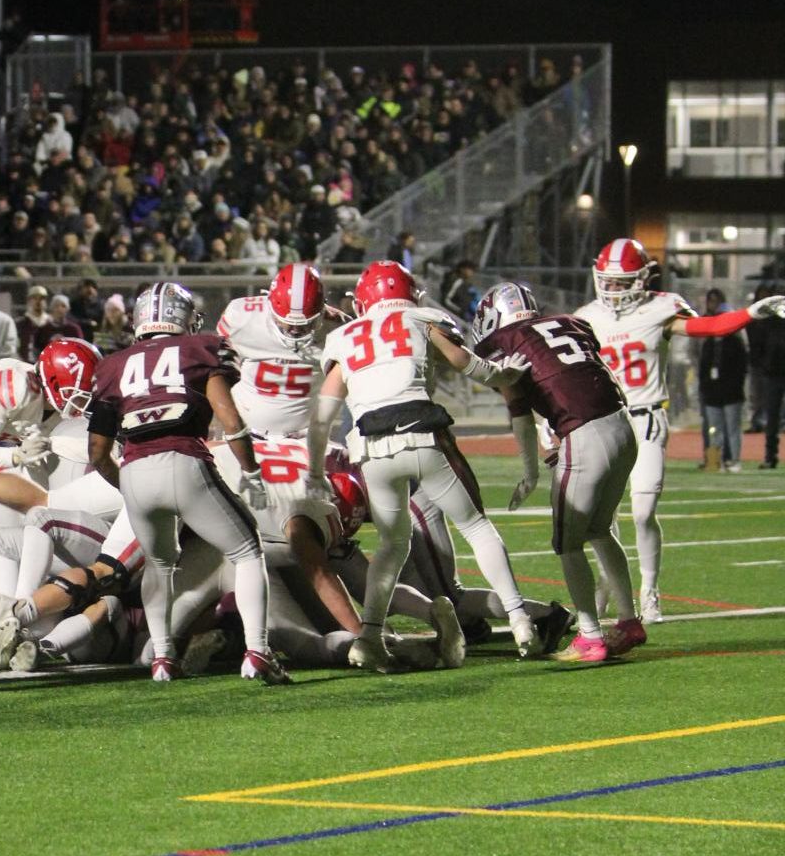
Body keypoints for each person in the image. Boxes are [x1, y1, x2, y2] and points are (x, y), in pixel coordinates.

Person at [308, 260, 535, 668]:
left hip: (372, 448)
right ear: (409, 294)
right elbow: (468, 364)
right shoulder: (422, 318)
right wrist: (505, 376)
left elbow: (322, 415)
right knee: (476, 527)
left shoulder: (345, 337)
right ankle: (520, 621)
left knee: (392, 546)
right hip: (424, 433)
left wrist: (313, 471)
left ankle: (371, 636)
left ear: (364, 302)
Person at [86, 280, 289, 684]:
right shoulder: (200, 349)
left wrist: (125, 485)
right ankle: (258, 652)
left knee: (160, 565)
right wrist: (250, 472)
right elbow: (230, 421)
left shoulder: (111, 365)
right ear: (181, 317)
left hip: (134, 469)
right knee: (247, 550)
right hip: (184, 458)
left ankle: (162, 659)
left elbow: (96, 452)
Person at [575, 238, 785, 619]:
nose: (613, 288)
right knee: (601, 519)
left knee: (642, 511)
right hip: (605, 421)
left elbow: (709, 326)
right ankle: (609, 581)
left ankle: (650, 587)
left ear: (642, 279)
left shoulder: (660, 307)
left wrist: (749, 313)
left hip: (647, 417)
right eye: (607, 280)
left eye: (622, 281)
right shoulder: (586, 315)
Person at [473, 280, 641, 664]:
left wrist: (530, 472)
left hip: (584, 432)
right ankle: (630, 621)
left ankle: (590, 637)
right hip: (623, 425)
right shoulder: (572, 323)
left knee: (567, 542)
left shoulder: (505, 341)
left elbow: (518, 409)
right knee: (599, 529)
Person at [216, 263, 327, 440]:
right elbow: (216, 375)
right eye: (287, 322)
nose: (295, 330)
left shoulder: (338, 328)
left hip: (306, 438)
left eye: (305, 323)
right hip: (248, 435)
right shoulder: (241, 318)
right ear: (270, 306)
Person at [745, 281, 785, 466]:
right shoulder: (764, 319)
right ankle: (770, 456)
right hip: (771, 371)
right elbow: (756, 344)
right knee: (772, 418)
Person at [696, 288, 747, 471]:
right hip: (712, 392)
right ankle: (715, 461)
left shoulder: (736, 342)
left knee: (732, 429)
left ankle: (734, 460)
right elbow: (703, 368)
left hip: (731, 392)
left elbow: (741, 369)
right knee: (714, 429)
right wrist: (704, 388)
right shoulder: (709, 342)